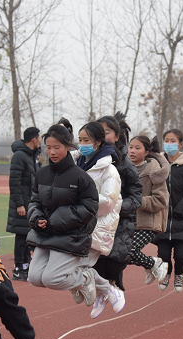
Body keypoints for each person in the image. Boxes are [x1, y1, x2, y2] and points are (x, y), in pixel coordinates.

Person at [26, 124, 101, 308]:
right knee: (34, 278)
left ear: (68, 146)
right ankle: (77, 281)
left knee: (52, 279)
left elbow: (90, 208)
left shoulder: (80, 177)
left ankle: (85, 277)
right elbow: (34, 201)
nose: (52, 152)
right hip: (45, 233)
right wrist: (36, 218)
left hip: (71, 235)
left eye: (57, 147)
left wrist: (56, 220)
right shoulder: (42, 173)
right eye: (48, 147)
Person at [76, 122, 125, 318]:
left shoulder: (109, 170)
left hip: (97, 226)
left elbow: (107, 203)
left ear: (97, 143)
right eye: (79, 140)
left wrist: (77, 201)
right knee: (73, 266)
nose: (81, 144)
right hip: (77, 224)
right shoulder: (75, 163)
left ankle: (108, 290)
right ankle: (98, 290)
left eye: (86, 140)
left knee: (79, 267)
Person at [92, 113, 142, 295]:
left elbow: (137, 196)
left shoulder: (125, 164)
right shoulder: (89, 160)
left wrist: (116, 208)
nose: (102, 137)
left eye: (106, 133)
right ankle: (104, 292)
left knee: (113, 261)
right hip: (95, 219)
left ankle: (113, 284)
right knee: (94, 263)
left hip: (120, 221)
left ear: (117, 136)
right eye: (98, 133)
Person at [151, 129, 183, 293]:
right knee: (163, 255)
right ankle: (166, 274)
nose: (169, 144)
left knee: (181, 255)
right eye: (166, 140)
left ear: (180, 144)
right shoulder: (158, 163)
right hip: (163, 218)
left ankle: (179, 274)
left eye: (173, 141)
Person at [127, 135, 170, 284]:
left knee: (129, 250)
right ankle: (149, 265)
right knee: (117, 253)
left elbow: (161, 200)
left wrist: (137, 201)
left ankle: (153, 264)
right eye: (131, 147)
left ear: (146, 152)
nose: (132, 151)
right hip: (128, 221)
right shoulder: (124, 169)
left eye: (137, 148)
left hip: (149, 223)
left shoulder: (155, 172)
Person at [7, 127, 41, 281]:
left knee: (28, 235)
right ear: (34, 139)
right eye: (39, 138)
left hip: (30, 203)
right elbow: (15, 182)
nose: (40, 141)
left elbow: (33, 178)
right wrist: (19, 204)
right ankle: (18, 268)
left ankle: (26, 265)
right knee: (21, 236)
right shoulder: (20, 156)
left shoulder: (31, 155)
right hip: (22, 204)